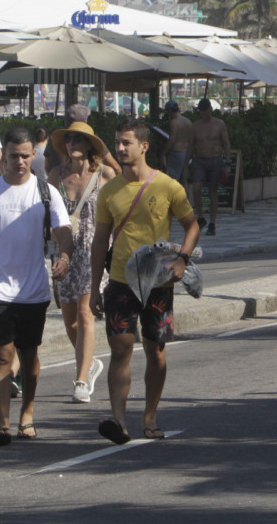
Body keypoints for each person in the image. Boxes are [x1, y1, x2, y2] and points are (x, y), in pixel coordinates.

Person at [0, 128, 73, 446]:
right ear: (3, 156)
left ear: (32, 156)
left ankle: (28, 414)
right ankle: (4, 424)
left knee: (29, 353)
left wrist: (64, 255)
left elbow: (63, 229)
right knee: (1, 356)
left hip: (33, 289)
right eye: (13, 156)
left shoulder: (45, 191)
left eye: (25, 155)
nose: (19, 161)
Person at [90, 119, 200, 444]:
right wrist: (95, 285)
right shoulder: (109, 191)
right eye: (117, 142)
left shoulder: (168, 186)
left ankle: (150, 414)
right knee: (121, 347)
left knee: (157, 350)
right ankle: (119, 421)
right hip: (121, 281)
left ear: (144, 146)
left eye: (126, 143)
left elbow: (192, 225)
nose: (120, 148)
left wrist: (183, 259)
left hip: (158, 283)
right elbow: (99, 242)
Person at [48, 121, 116, 403]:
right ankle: (89, 364)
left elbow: (120, 210)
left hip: (93, 251)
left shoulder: (105, 176)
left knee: (85, 314)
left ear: (90, 145)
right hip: (65, 252)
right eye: (68, 139)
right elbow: (46, 212)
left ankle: (80, 379)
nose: (72, 143)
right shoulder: (56, 175)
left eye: (78, 139)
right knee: (70, 319)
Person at [188, 98, 231, 236]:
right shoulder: (195, 126)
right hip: (200, 160)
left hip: (215, 159)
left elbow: (226, 144)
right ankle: (200, 217)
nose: (204, 114)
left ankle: (212, 223)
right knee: (196, 188)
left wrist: (228, 163)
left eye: (206, 111)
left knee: (213, 191)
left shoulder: (219, 124)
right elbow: (190, 147)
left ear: (210, 110)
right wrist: (185, 164)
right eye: (201, 111)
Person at [161, 100, 192, 182]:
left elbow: (172, 140)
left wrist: (164, 152)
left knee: (172, 180)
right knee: (184, 180)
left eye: (167, 112)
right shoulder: (187, 121)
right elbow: (191, 138)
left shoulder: (174, 122)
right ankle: (186, 195)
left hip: (176, 153)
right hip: (186, 153)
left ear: (170, 111)